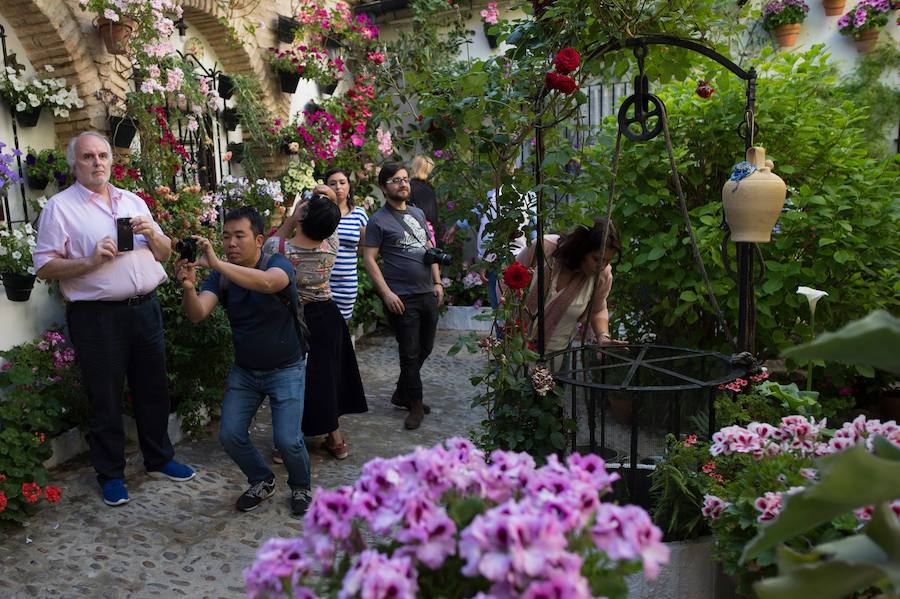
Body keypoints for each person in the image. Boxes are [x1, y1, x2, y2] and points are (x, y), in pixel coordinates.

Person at [33, 131, 195, 507]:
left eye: (102, 155)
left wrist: (154, 235)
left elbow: (165, 253)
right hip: (97, 316)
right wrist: (89, 260)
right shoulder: (60, 208)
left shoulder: (133, 200)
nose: (97, 163)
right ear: (74, 163)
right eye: (88, 157)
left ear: (111, 160)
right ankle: (110, 474)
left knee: (153, 387)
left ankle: (159, 458)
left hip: (145, 308)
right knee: (104, 397)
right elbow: (43, 265)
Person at [175, 206, 313, 517]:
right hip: (246, 371)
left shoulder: (277, 264)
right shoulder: (219, 276)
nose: (231, 243)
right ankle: (261, 480)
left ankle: (301, 485)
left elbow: (267, 283)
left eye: (240, 236)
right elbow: (197, 314)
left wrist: (218, 264)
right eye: (226, 237)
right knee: (230, 435)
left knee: (288, 440)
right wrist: (188, 287)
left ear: (260, 239)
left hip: (286, 367)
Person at [267, 185, 367, 460]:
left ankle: (285, 442)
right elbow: (330, 219)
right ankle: (336, 439)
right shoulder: (330, 245)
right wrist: (329, 199)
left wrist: (291, 217)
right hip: (328, 316)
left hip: (293, 319)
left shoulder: (281, 249)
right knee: (327, 375)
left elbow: (267, 247)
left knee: (293, 378)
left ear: (302, 217)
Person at [364, 163, 444, 430]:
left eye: (405, 179)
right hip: (402, 297)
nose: (403, 184)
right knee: (409, 353)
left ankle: (401, 392)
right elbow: (370, 260)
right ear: (384, 187)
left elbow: (430, 248)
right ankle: (415, 404)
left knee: (426, 348)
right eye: (396, 180)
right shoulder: (378, 220)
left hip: (426, 292)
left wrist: (438, 281)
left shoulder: (418, 213)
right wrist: (386, 293)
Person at [516, 218, 626, 355]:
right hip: (514, 348)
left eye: (608, 261)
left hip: (554, 354)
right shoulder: (544, 249)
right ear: (582, 249)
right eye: (597, 259)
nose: (601, 267)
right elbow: (507, 283)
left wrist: (603, 337)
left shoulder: (603, 275)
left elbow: (598, 309)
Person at [323, 168, 369, 321]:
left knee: (342, 326)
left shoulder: (359, 214)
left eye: (342, 182)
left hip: (346, 282)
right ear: (326, 187)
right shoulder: (320, 213)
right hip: (320, 281)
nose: (338, 187)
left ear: (349, 186)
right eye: (332, 183)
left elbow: (364, 247)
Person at [408, 155, 438, 243]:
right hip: (428, 232)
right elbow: (433, 217)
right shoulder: (430, 189)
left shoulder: (409, 187)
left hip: (412, 232)